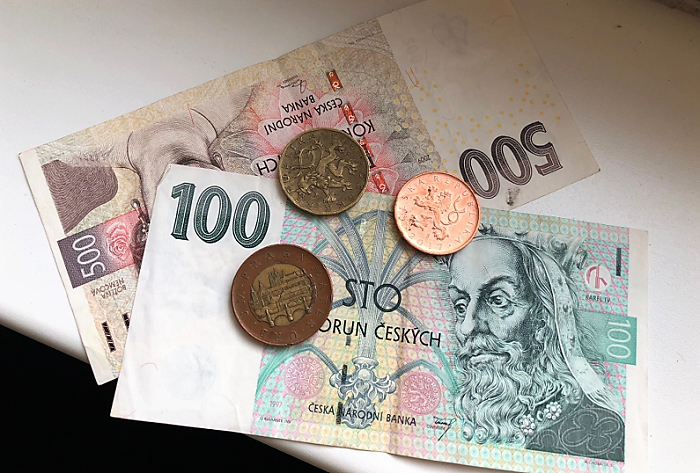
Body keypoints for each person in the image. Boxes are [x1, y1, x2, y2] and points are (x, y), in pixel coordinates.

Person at [446, 227, 625, 461]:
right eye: (460, 306)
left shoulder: (599, 431)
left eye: (498, 300)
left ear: (544, 318)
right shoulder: (473, 422)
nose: (467, 327)